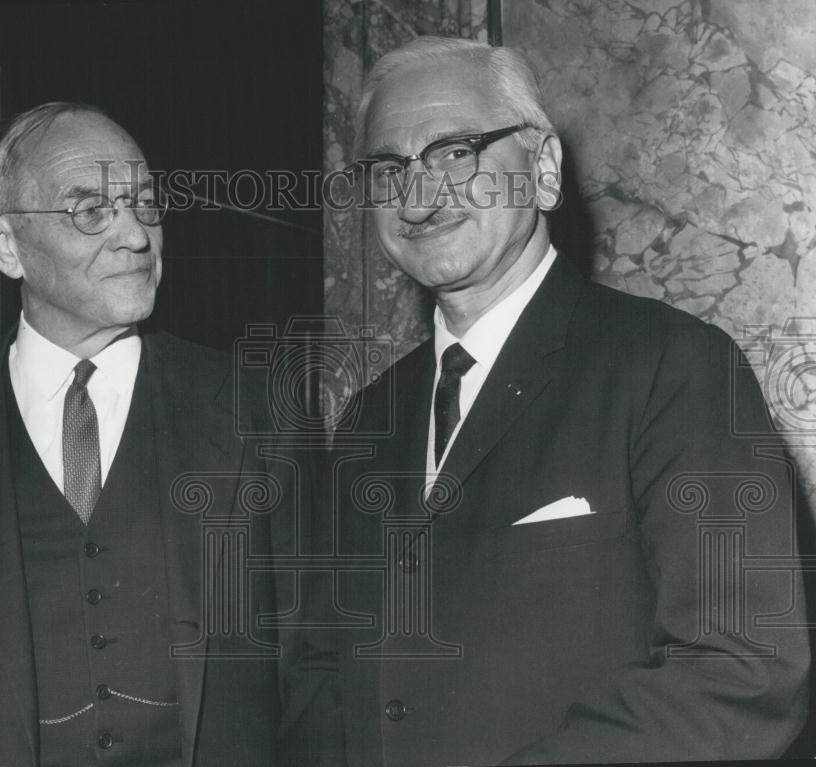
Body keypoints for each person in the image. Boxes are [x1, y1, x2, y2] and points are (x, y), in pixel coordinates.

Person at [330, 36, 810, 765]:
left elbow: (742, 668)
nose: (419, 195)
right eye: (389, 168)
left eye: (457, 151)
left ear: (545, 170)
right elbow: (323, 674)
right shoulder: (369, 414)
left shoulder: (673, 367)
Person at [0, 102, 331, 766]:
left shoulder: (261, 412)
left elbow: (312, 662)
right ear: (3, 243)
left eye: (145, 204)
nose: (135, 236)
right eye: (91, 210)